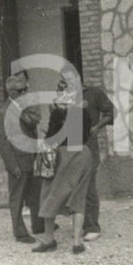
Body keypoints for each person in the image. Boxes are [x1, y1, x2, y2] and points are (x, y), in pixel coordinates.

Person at [57, 72, 115, 241]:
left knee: (88, 186)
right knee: (75, 187)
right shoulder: (65, 96)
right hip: (70, 147)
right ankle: (81, 225)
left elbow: (111, 112)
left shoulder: (94, 93)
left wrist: (97, 126)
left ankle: (93, 226)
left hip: (89, 147)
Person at [32, 102, 94, 255]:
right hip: (83, 153)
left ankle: (49, 240)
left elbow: (50, 139)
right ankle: (77, 243)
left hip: (62, 155)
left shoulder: (57, 114)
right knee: (78, 197)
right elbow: (88, 134)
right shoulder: (84, 112)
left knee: (50, 194)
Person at [0, 72, 43, 243]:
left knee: (35, 194)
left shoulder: (23, 107)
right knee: (17, 197)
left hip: (31, 157)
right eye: (20, 90)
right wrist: (11, 165)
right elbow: (3, 141)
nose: (24, 92)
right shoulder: (4, 111)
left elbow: (34, 123)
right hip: (18, 161)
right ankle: (20, 232)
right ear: (12, 92)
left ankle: (39, 224)